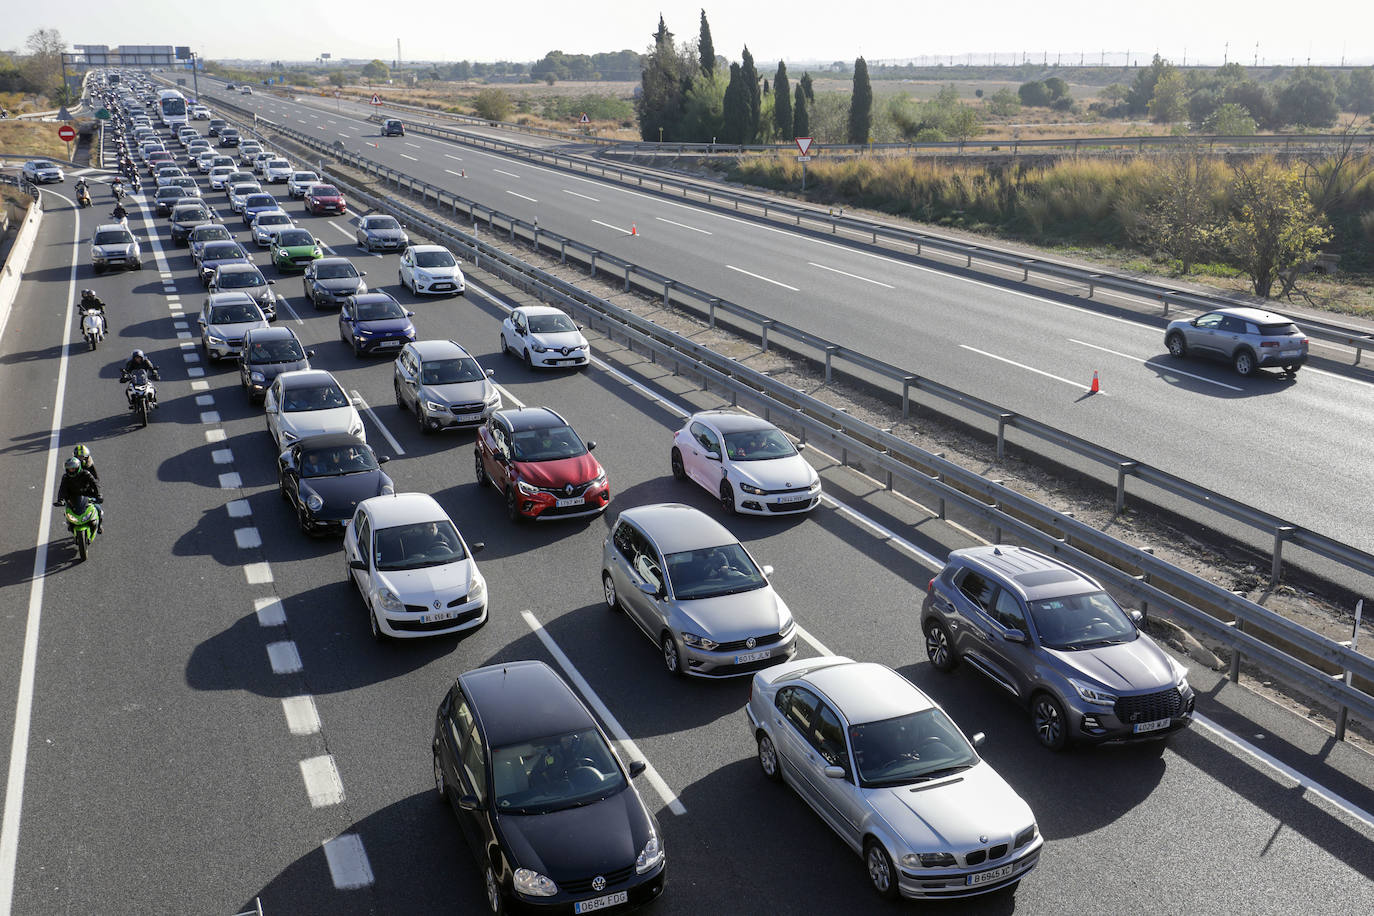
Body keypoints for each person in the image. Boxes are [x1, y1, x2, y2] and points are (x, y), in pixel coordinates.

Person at [54, 457, 103, 533]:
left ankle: (99, 526)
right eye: (69, 469)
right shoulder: (65, 477)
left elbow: (95, 484)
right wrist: (60, 500)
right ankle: (70, 524)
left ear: (78, 468)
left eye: (73, 469)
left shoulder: (86, 474)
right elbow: (62, 489)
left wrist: (99, 495)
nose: (71, 470)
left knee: (98, 509)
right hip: (72, 498)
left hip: (87, 496)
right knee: (67, 511)